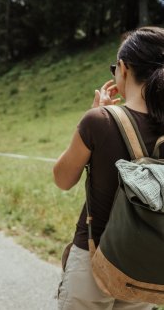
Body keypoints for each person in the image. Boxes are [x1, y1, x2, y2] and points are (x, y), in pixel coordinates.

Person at [53, 26, 164, 310]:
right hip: (147, 264)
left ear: (124, 68)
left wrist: (94, 114)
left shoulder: (99, 121)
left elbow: (63, 179)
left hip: (94, 258)